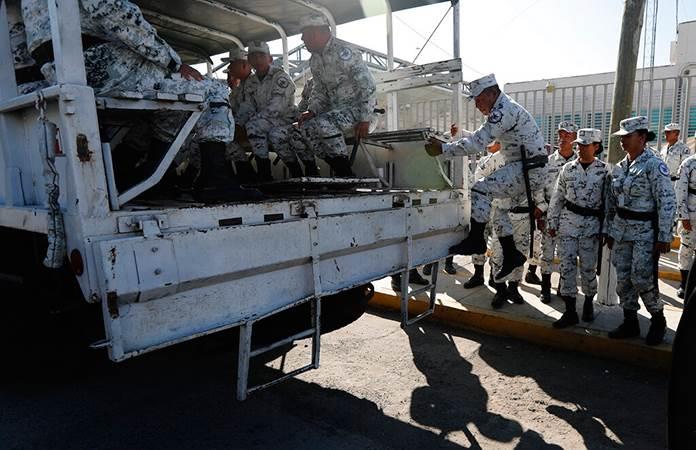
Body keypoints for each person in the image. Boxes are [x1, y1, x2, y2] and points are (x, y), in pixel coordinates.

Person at [21, 0, 249, 203]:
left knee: (168, 105)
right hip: (99, 63)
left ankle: (153, 176)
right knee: (213, 90)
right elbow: (118, 15)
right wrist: (173, 63)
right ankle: (215, 179)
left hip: (57, 69)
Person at [425, 73, 547, 280]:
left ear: (491, 93)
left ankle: (476, 240)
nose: (476, 105)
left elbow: (478, 143)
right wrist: (457, 137)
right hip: (525, 167)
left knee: (480, 188)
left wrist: (443, 148)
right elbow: (486, 139)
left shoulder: (502, 111)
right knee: (499, 210)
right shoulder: (503, 109)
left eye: (479, 99)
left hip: (528, 169)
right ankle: (512, 254)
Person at [605, 116, 676, 345]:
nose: (623, 141)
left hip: (645, 232)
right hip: (622, 230)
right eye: (622, 137)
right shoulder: (621, 166)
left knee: (642, 278)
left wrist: (665, 235)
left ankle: (657, 320)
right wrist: (609, 230)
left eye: (627, 136)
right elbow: (611, 202)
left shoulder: (654, 165)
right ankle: (630, 322)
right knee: (623, 280)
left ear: (642, 137)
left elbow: (667, 201)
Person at [296, 14, 377, 177]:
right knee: (303, 128)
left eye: (305, 34)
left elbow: (367, 85)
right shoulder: (315, 60)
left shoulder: (344, 52)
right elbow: (319, 89)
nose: (302, 39)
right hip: (334, 114)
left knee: (323, 123)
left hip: (359, 112)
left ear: (316, 33)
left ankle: (346, 175)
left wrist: (365, 118)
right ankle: (339, 168)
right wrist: (311, 111)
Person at [547, 129, 608, 328]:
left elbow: (609, 205)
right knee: (566, 267)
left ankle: (589, 302)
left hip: (591, 226)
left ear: (596, 146)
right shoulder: (568, 169)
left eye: (586, 145)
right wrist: (552, 222)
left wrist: (605, 230)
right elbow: (558, 197)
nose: (580, 148)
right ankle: (570, 310)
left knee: (589, 268)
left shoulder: (605, 171)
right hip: (568, 223)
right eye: (579, 145)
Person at [534, 121, 578, 303]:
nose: (563, 138)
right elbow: (538, 188)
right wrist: (541, 210)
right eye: (561, 134)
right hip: (549, 215)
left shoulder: (579, 163)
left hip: (572, 218)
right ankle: (545, 288)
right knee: (547, 253)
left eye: (568, 135)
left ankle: (563, 286)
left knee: (567, 255)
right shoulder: (548, 162)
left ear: (575, 138)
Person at [462, 140, 502, 288]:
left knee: (498, 246)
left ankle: (494, 276)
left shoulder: (512, 160)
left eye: (495, 141)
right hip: (484, 208)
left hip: (501, 210)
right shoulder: (486, 161)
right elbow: (478, 182)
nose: (490, 144)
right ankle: (478, 275)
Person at [222, 47, 256, 183]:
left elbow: (248, 110)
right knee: (218, 140)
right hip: (244, 127)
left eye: (232, 63)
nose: (229, 67)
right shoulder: (240, 87)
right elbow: (232, 109)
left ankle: (248, 178)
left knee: (225, 142)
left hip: (258, 127)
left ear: (244, 64)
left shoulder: (254, 83)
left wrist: (233, 127)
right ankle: (235, 178)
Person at [674, 134, 696, 298]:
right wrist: (684, 217)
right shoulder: (689, 164)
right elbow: (680, 192)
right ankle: (684, 283)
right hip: (692, 214)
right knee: (687, 248)